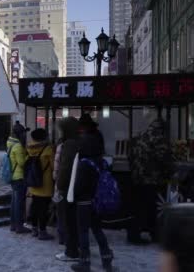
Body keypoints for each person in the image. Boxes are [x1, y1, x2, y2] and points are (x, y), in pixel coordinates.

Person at [71, 114, 113, 271]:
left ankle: (85, 262)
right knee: (97, 229)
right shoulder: (100, 161)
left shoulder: (84, 164)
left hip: (84, 201)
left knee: (83, 231)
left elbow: (79, 186)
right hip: (96, 200)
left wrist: (73, 195)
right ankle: (107, 259)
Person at [127, 118, 174, 244]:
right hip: (151, 179)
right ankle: (154, 235)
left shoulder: (139, 137)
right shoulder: (160, 140)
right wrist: (169, 173)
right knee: (150, 208)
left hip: (137, 178)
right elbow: (164, 159)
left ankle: (133, 234)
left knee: (137, 207)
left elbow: (130, 156)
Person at [55, 117, 82, 262]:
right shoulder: (77, 141)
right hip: (75, 187)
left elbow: (65, 169)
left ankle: (71, 252)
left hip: (68, 189)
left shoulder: (69, 144)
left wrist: (59, 186)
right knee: (73, 220)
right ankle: (75, 248)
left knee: (68, 220)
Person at [26, 128, 55, 240]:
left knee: (35, 206)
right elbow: (53, 167)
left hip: (34, 182)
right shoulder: (48, 149)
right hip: (45, 183)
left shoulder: (29, 148)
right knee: (43, 208)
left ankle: (34, 229)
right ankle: (42, 231)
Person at [7, 130, 30, 233]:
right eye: (24, 134)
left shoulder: (10, 144)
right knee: (19, 203)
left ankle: (13, 225)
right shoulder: (18, 146)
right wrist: (29, 155)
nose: (25, 136)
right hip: (19, 177)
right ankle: (19, 226)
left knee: (14, 203)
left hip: (13, 176)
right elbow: (22, 163)